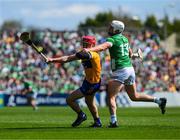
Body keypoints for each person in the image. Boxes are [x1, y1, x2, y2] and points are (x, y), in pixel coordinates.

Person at [83, 20, 167, 128]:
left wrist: (89, 50)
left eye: (111, 27)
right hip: (130, 69)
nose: (109, 29)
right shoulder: (125, 39)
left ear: (116, 30)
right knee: (134, 96)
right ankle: (159, 101)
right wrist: (137, 55)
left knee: (111, 97)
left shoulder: (112, 39)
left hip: (120, 70)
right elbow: (130, 54)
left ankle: (113, 122)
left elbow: (103, 47)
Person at [46, 36, 102, 127]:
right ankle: (97, 121)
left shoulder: (93, 54)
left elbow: (83, 55)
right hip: (88, 81)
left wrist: (79, 53)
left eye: (87, 44)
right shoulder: (85, 52)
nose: (85, 46)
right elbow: (67, 58)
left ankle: (81, 115)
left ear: (93, 45)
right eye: (84, 44)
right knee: (89, 102)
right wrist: (52, 60)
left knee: (69, 99)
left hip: (92, 84)